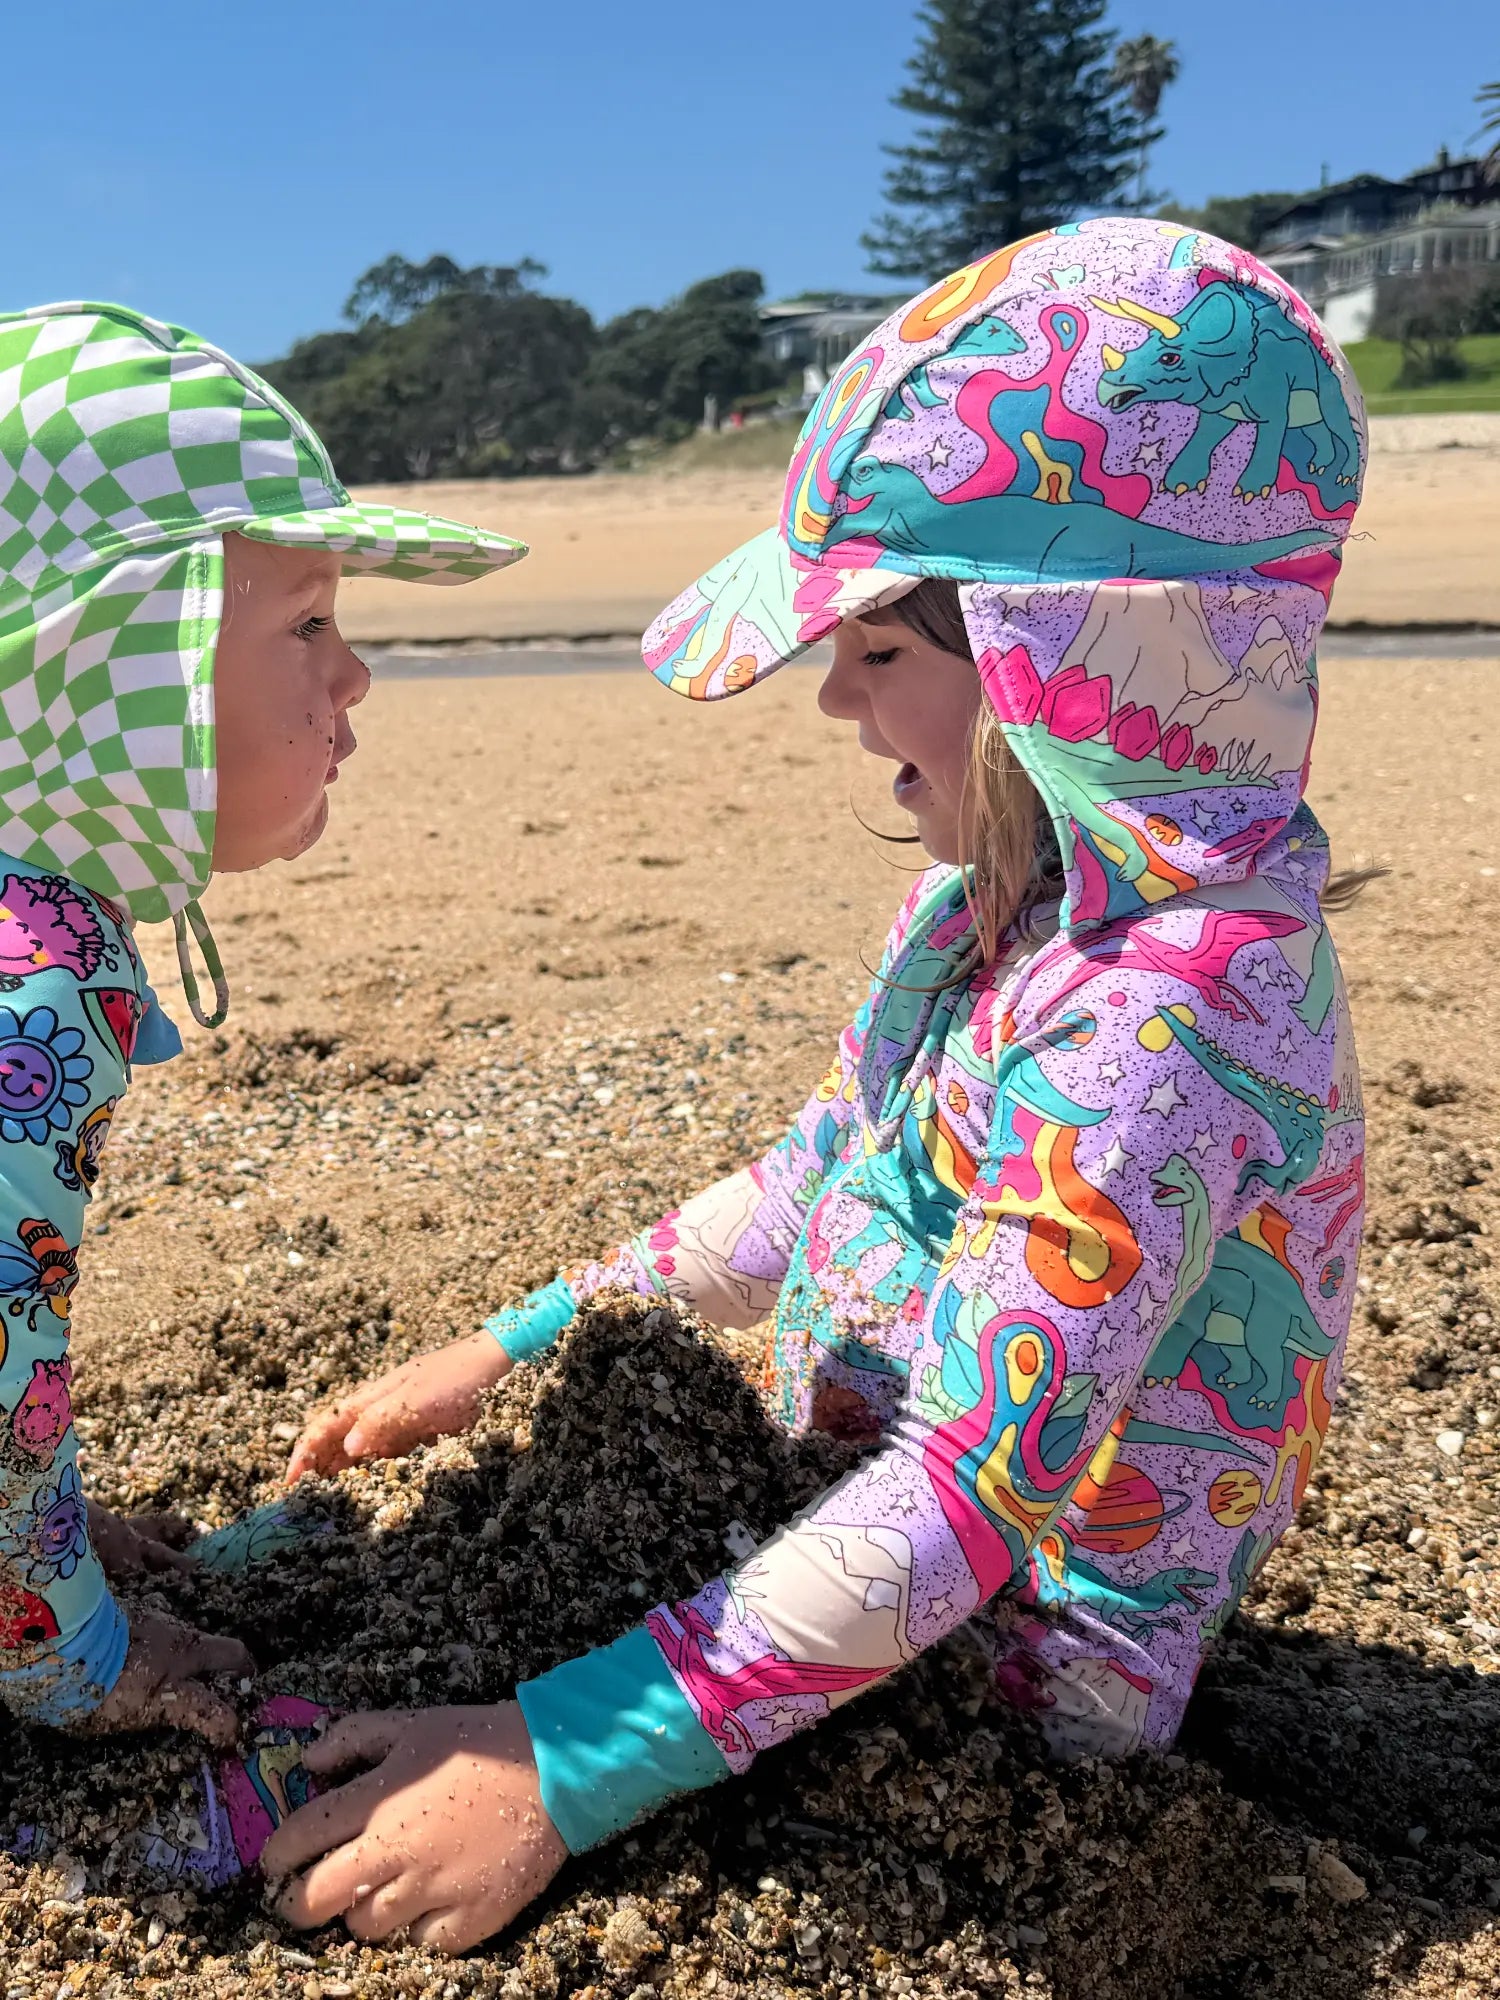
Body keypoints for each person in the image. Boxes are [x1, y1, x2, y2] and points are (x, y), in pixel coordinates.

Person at [263, 216, 1370, 1954]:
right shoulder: (986, 915)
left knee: (422, 1763)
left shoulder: (1176, 1019)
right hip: (824, 1531)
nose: (836, 709)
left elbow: (967, 1495)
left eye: (880, 654)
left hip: (991, 1678)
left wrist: (553, 1768)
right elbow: (815, 1181)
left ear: (1062, 664)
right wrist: (509, 1343)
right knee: (386, 1595)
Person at [0, 302, 525, 1742]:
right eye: (307, 623)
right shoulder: (33, 975)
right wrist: (64, 1647)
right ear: (117, 671)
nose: (353, 674)